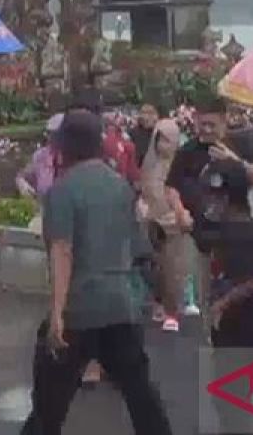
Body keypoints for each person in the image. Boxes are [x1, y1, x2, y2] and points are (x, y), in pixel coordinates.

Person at [21, 110, 173, 435]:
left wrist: (57, 313)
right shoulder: (120, 186)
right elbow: (138, 247)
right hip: (122, 305)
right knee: (140, 394)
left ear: (63, 145)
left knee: (49, 401)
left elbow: (62, 251)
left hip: (79, 307)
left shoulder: (62, 190)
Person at [168, 97, 253, 313]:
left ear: (224, 122)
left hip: (235, 235)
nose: (206, 130)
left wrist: (234, 161)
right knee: (206, 295)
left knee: (237, 295)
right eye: (201, 124)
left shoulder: (240, 145)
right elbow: (172, 186)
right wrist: (179, 210)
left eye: (211, 125)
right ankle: (210, 332)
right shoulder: (189, 151)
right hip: (201, 234)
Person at [196, 161, 253, 435]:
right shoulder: (226, 229)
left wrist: (221, 304)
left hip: (249, 335)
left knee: (232, 402)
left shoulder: (246, 232)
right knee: (229, 401)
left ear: (226, 196)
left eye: (212, 195)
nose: (208, 201)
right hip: (232, 334)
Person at [139, 118, 193, 332]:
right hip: (153, 222)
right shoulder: (150, 165)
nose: (163, 145)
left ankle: (175, 310)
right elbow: (144, 190)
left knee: (175, 267)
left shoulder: (182, 165)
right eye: (159, 140)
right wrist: (143, 206)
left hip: (175, 223)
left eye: (168, 140)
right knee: (156, 266)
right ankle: (159, 304)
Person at [16, 114, 63, 201]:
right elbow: (22, 176)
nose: (50, 138)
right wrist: (22, 183)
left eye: (54, 134)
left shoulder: (77, 159)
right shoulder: (40, 156)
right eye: (48, 133)